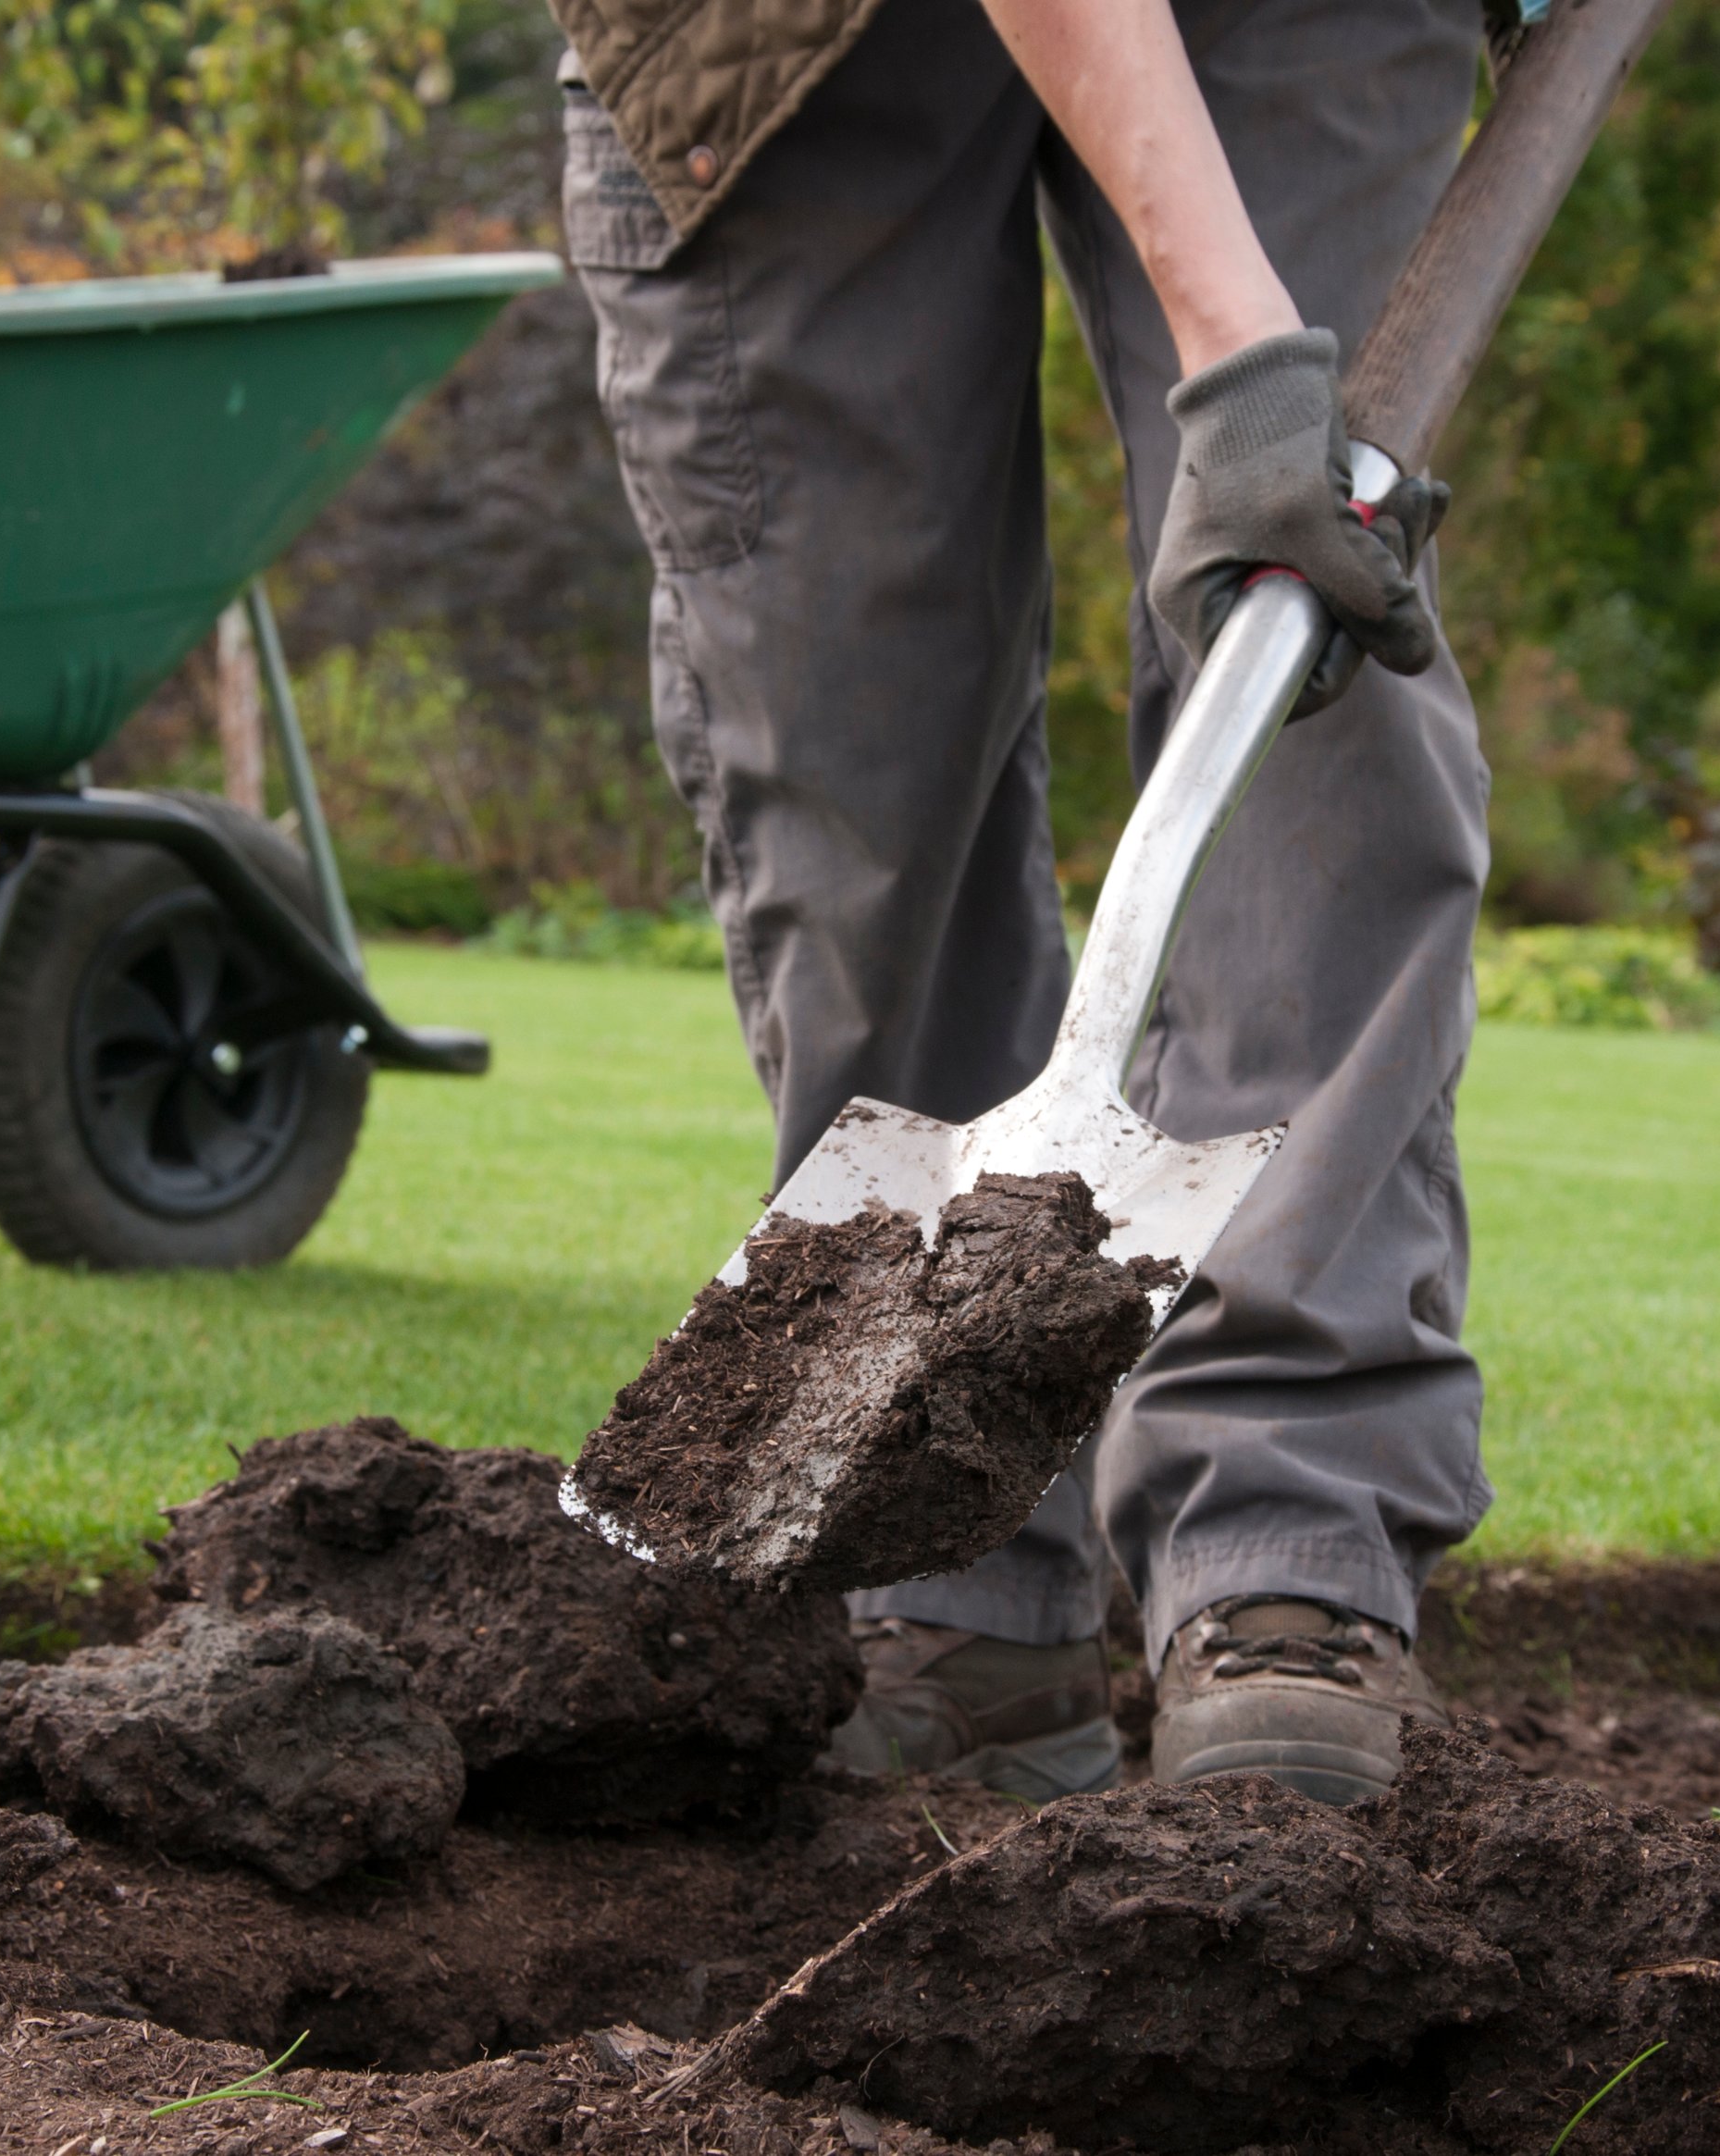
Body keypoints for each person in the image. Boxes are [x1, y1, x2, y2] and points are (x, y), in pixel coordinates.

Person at [555, 0, 1491, 1803]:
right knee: (849, 759)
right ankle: (950, 1584)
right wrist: (1233, 345)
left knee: (1308, 667)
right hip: (766, 41)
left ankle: (1282, 1553)